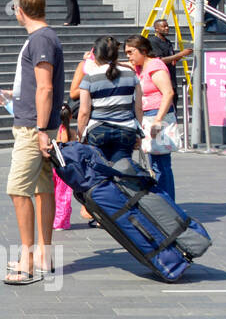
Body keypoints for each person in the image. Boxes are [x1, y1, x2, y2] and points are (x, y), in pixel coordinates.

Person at [0, 0, 64, 284]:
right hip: (36, 122)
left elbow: (46, 87)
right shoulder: (45, 37)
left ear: (19, 11)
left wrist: (39, 131)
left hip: (31, 128)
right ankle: (44, 255)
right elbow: (39, 85)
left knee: (18, 189)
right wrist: (16, 94)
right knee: (42, 188)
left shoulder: (39, 39)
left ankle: (26, 259)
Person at [77, 36, 143, 164]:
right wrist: (139, 133)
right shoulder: (131, 75)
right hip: (126, 129)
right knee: (123, 170)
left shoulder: (89, 78)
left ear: (95, 55)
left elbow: (84, 112)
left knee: (100, 171)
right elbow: (139, 108)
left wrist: (81, 136)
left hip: (98, 129)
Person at [126, 35, 176, 198]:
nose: (129, 57)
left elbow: (168, 93)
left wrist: (158, 121)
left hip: (157, 115)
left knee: (161, 164)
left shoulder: (154, 65)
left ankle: (168, 201)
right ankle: (164, 200)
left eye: (131, 52)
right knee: (154, 161)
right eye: (126, 53)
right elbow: (123, 64)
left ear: (143, 50)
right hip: (148, 116)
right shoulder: (140, 67)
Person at [146, 18, 192, 109]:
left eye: (167, 26)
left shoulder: (168, 42)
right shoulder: (153, 42)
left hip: (172, 80)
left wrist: (181, 56)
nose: (167, 28)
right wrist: (181, 54)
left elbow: (172, 59)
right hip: (162, 81)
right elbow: (159, 60)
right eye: (164, 26)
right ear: (157, 29)